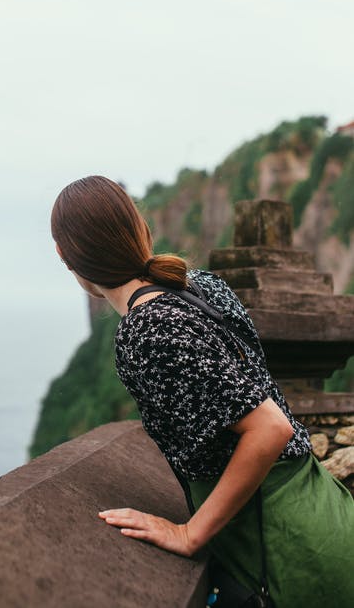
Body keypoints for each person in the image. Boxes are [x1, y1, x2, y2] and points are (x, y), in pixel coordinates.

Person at [51, 174, 354, 608]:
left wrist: (191, 534)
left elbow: (270, 428)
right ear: (141, 228)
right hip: (326, 511)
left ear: (66, 257)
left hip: (290, 549)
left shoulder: (146, 330)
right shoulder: (202, 285)